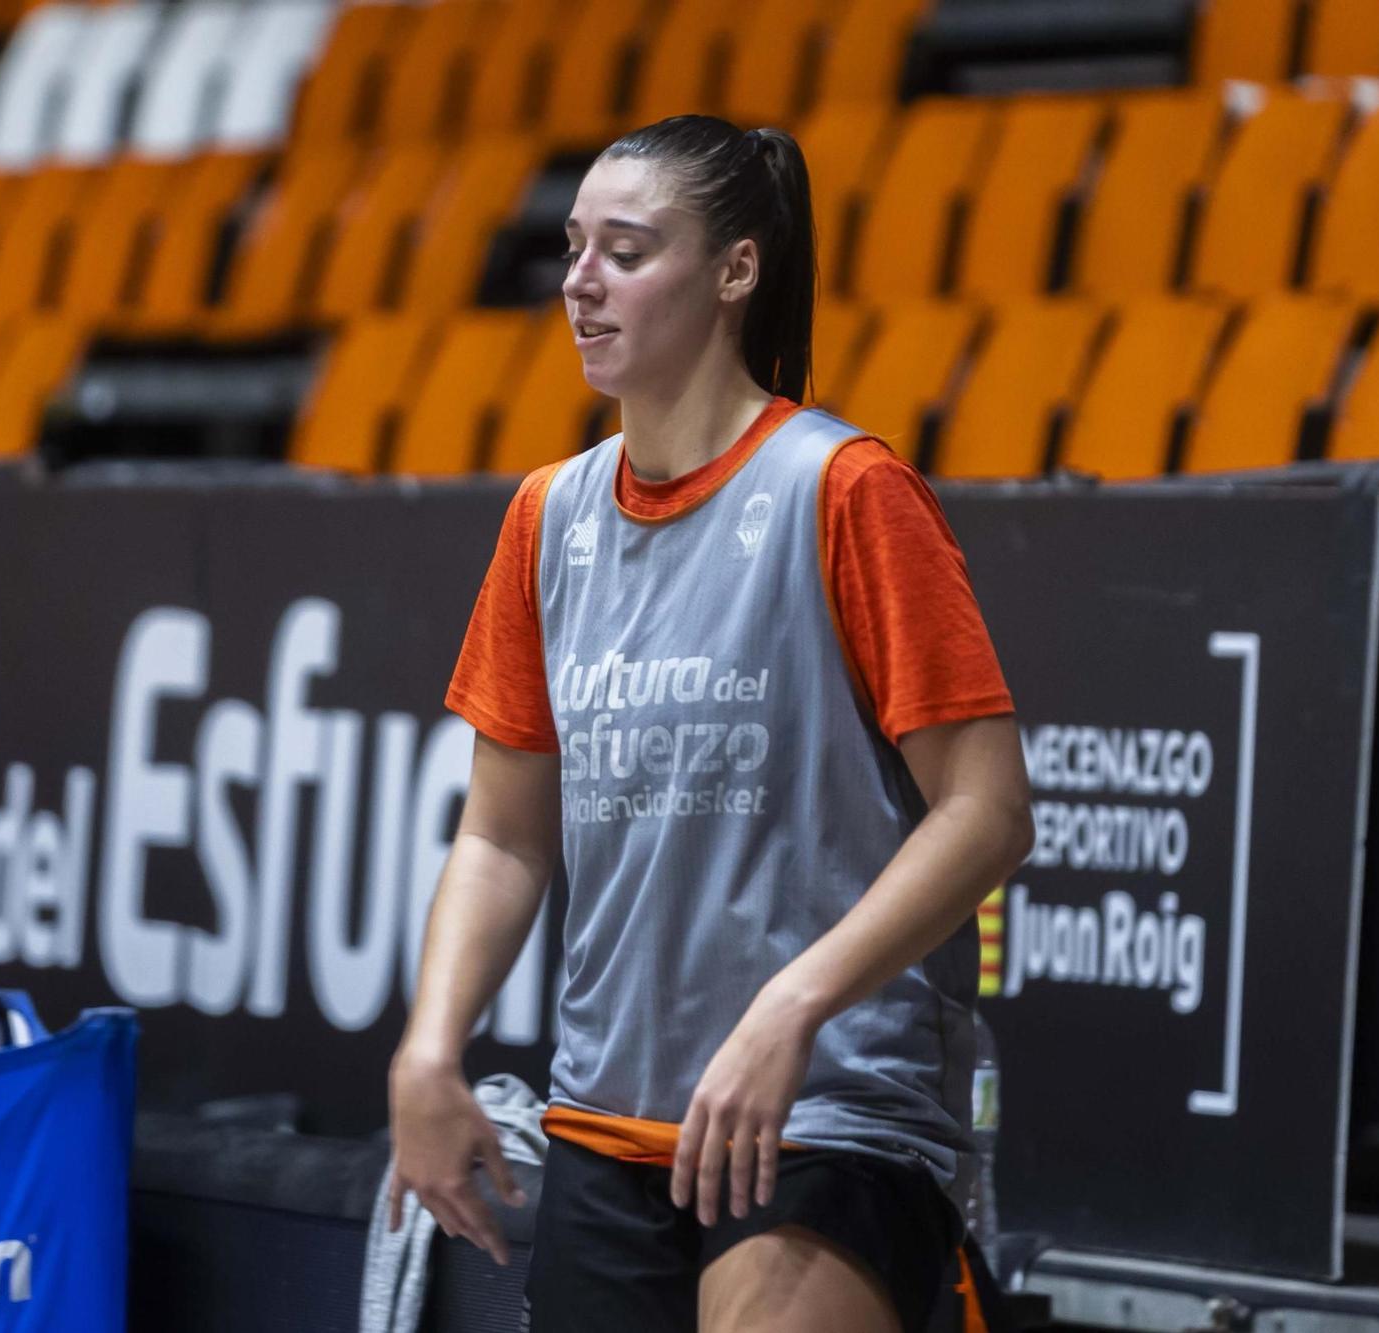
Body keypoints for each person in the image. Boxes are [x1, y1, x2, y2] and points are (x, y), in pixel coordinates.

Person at [385, 114, 1034, 1333]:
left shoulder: (845, 489)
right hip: (609, 1116)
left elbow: (988, 812)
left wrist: (791, 1004)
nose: (580, 279)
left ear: (736, 271)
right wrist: (428, 1051)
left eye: (626, 251)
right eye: (575, 247)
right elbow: (503, 837)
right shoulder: (548, 517)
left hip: (823, 1112)